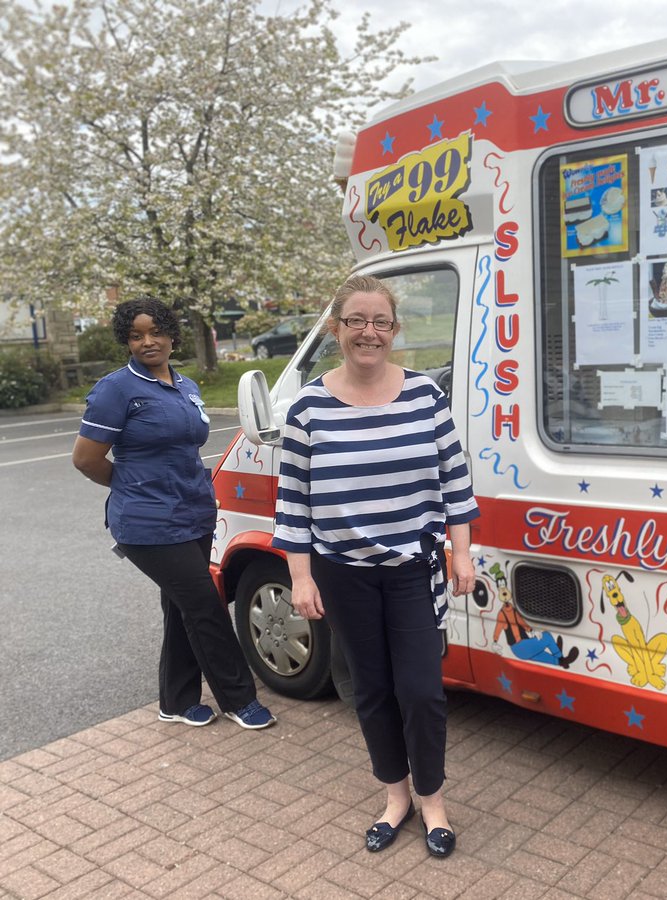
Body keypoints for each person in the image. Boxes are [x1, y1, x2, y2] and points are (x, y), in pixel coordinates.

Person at [272, 274, 478, 859]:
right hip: (343, 573)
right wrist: (301, 575)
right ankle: (396, 796)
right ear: (337, 329)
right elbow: (293, 499)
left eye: (380, 321)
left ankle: (432, 798)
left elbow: (454, 479)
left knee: (421, 691)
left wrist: (460, 550)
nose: (369, 332)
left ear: (394, 330)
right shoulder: (308, 407)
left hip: (413, 567)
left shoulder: (424, 396)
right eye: (356, 321)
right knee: (372, 689)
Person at [72, 297, 276, 731]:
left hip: (194, 514)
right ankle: (240, 699)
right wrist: (133, 487)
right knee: (205, 605)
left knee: (182, 605)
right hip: (146, 523)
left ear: (171, 334)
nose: (148, 342)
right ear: (125, 341)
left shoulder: (186, 386)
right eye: (136, 335)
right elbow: (86, 459)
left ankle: (177, 701)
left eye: (156, 332)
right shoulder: (116, 389)